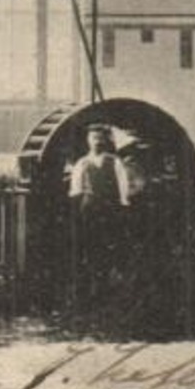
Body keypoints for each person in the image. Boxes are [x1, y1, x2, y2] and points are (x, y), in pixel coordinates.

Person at [68, 124, 130, 313]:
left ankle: (108, 289)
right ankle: (91, 291)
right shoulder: (82, 163)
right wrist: (79, 208)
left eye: (100, 138)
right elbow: (76, 189)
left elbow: (123, 188)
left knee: (109, 247)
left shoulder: (115, 162)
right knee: (89, 247)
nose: (97, 141)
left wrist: (122, 206)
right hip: (89, 209)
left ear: (105, 141)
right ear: (88, 140)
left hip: (110, 209)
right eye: (93, 138)